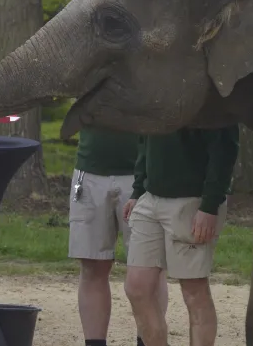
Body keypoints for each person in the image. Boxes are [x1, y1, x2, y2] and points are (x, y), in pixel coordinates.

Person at [123, 126, 239, 346]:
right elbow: (145, 139)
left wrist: (210, 204)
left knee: (193, 291)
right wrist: (138, 190)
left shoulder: (208, 96)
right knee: (136, 287)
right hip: (151, 198)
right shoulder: (153, 94)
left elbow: (224, 148)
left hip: (192, 200)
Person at [68, 128, 168, 346]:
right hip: (90, 169)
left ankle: (148, 342)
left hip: (144, 172)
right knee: (92, 265)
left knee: (149, 269)